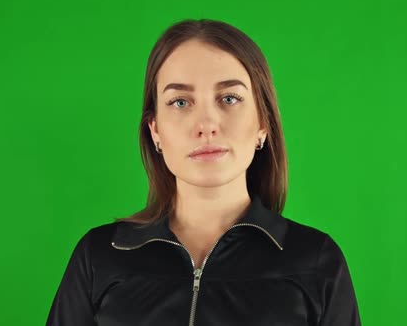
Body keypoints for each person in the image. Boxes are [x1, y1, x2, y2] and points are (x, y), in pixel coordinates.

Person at [46, 18, 361, 326]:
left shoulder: (316, 261)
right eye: (180, 102)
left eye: (229, 98)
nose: (206, 125)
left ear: (262, 124)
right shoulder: (100, 256)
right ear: (155, 130)